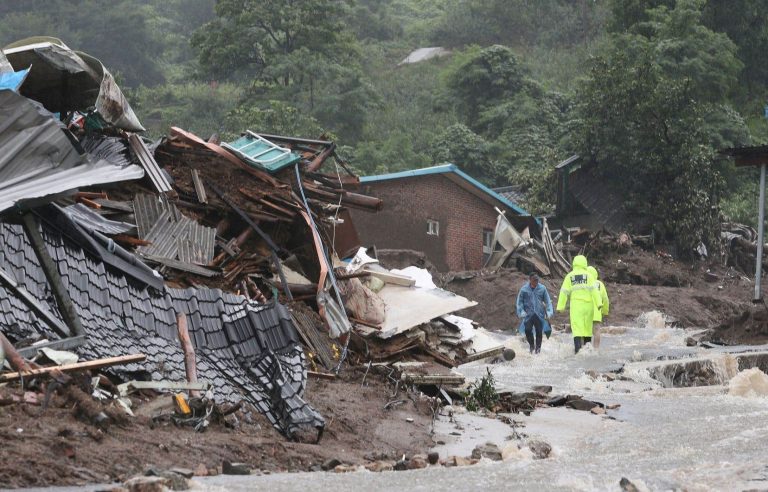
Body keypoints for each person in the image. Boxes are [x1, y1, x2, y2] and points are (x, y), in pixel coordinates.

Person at [556, 255, 602, 354]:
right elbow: (595, 291)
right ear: (585, 264)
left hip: (576, 307)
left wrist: (561, 307)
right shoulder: (589, 276)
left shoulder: (570, 276)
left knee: (577, 329)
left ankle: (578, 352)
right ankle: (588, 351)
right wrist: (599, 303)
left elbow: (564, 292)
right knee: (587, 328)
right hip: (588, 306)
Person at [516, 273, 554, 354]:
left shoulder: (542, 288)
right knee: (528, 330)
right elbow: (520, 302)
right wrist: (521, 312)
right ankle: (532, 346)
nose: (536, 282)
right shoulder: (524, 289)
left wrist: (549, 312)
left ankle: (538, 350)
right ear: (530, 280)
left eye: (537, 280)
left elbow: (548, 302)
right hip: (528, 315)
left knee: (539, 332)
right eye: (534, 280)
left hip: (539, 314)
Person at [587, 266, 610, 349]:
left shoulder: (585, 283)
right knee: (597, 331)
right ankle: (596, 348)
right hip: (597, 311)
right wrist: (605, 311)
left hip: (586, 312)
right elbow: (605, 299)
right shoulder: (600, 284)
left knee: (585, 331)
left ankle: (585, 348)